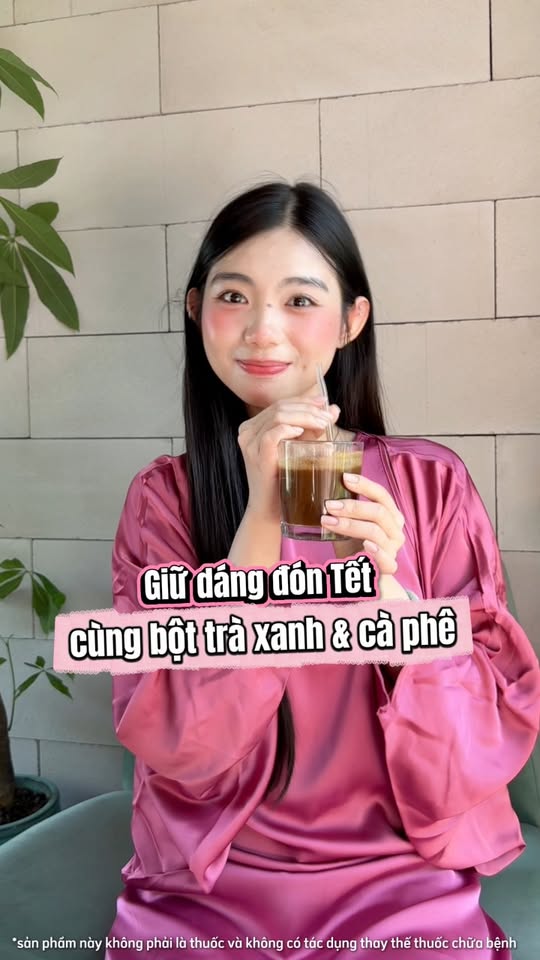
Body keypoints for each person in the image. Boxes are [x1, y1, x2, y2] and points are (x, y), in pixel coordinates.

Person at [106, 182, 540, 960]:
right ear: (196, 310)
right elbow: (175, 741)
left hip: (397, 875)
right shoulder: (163, 501)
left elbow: (488, 730)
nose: (263, 329)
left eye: (300, 300)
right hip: (211, 877)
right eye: (233, 296)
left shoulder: (431, 486)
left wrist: (400, 609)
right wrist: (258, 522)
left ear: (350, 321)